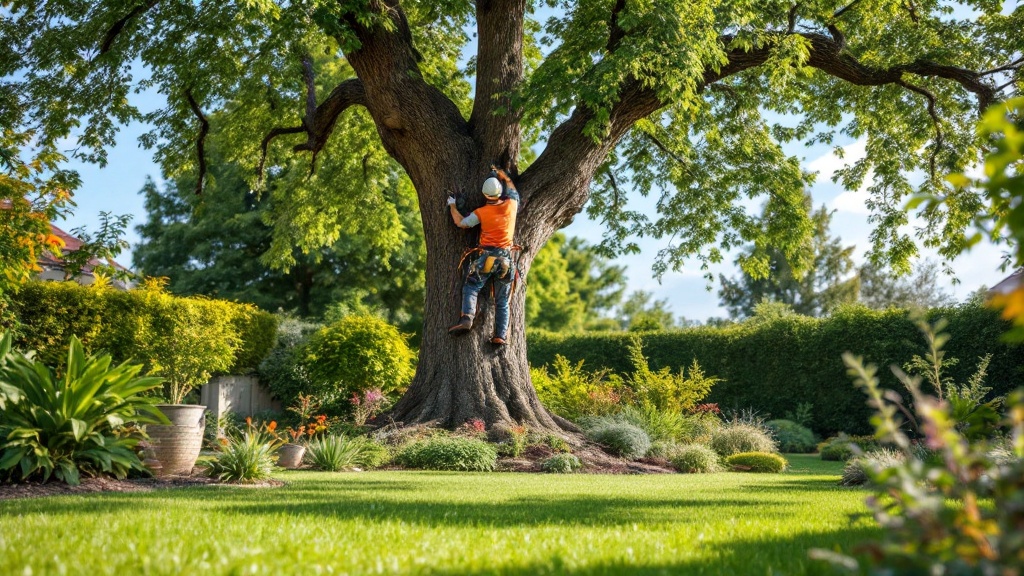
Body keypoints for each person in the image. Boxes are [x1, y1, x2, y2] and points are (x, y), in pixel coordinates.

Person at [447, 168, 519, 345]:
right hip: (506, 261)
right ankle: (500, 336)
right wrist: (502, 174)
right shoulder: (512, 204)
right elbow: (513, 190)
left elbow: (461, 223)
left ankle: (467, 318)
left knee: (472, 286)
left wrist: (452, 206)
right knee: (502, 301)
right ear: (500, 192)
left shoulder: (481, 212)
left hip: (487, 258)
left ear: (484, 194)